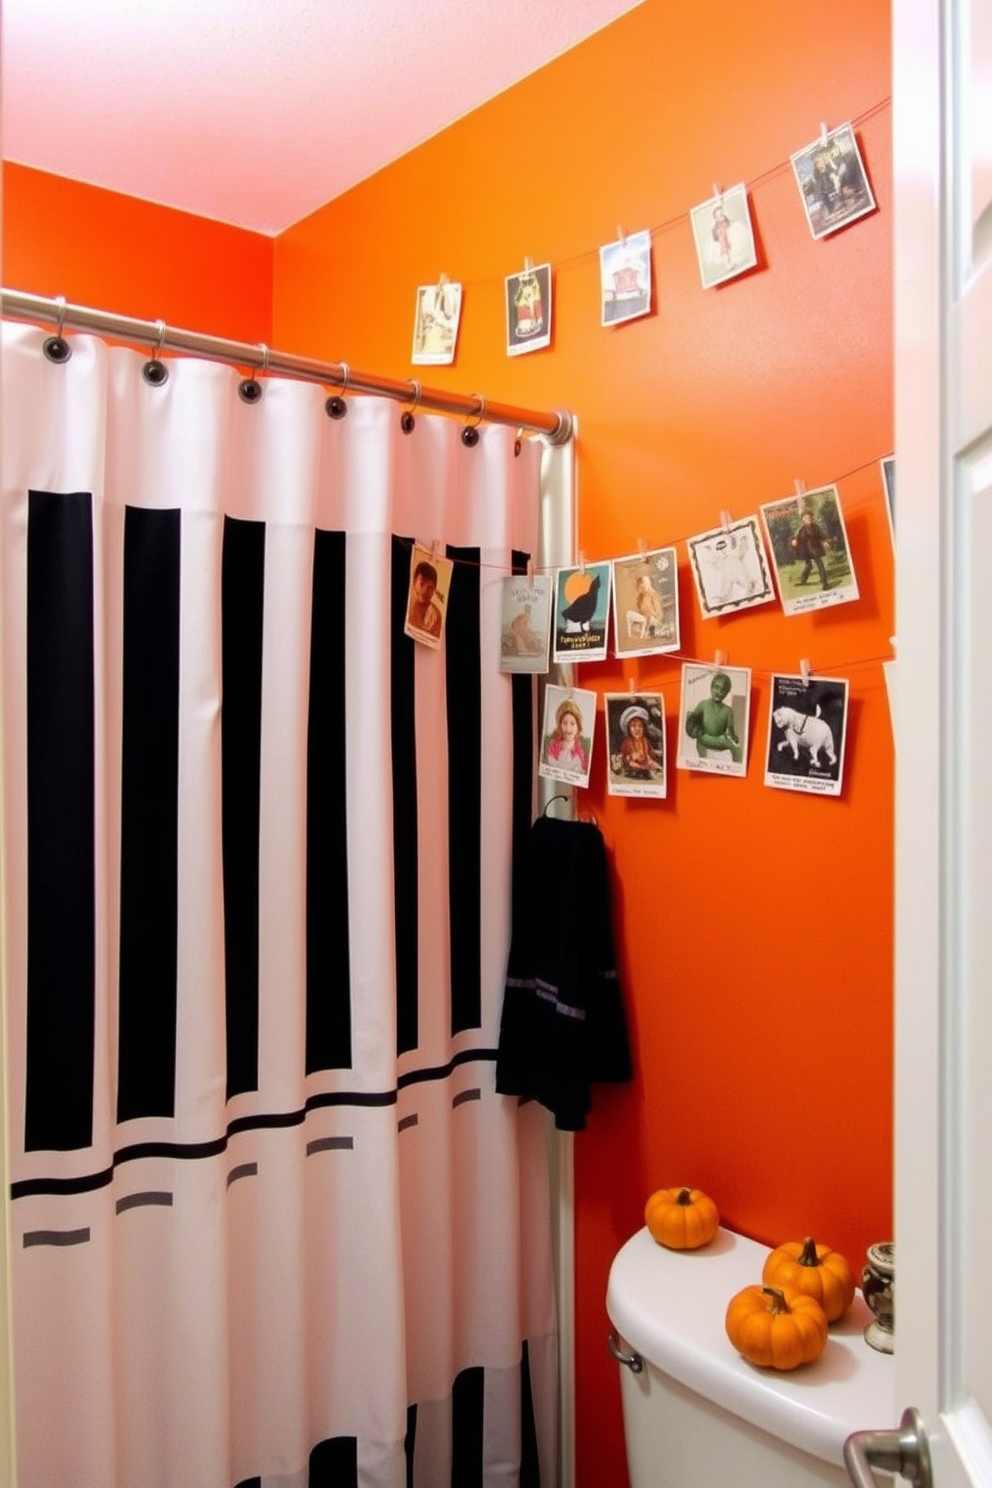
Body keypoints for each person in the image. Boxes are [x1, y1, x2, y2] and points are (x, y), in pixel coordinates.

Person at [684, 672, 742, 763]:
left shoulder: (728, 711)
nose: (718, 692)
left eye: (722, 690)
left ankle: (737, 769)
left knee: (736, 749)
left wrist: (734, 737)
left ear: (726, 693)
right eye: (716, 688)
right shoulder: (703, 705)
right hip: (704, 738)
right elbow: (692, 721)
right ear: (711, 688)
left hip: (719, 740)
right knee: (701, 743)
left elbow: (730, 731)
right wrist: (693, 729)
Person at [544, 698, 588, 776]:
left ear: (578, 726)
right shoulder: (554, 746)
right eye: (564, 723)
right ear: (560, 725)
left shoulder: (579, 751)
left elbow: (581, 771)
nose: (568, 729)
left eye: (572, 723)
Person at [616, 706, 661, 779]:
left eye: (640, 726)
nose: (637, 729)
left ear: (644, 728)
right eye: (633, 726)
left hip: (646, 770)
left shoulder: (645, 741)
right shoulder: (627, 742)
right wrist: (642, 766)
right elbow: (627, 761)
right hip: (632, 772)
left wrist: (657, 767)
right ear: (628, 728)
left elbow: (648, 758)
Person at [791, 509, 831, 590]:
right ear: (803, 519)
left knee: (820, 565)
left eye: (809, 517)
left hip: (815, 549)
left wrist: (826, 541)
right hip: (806, 551)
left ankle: (825, 583)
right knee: (808, 566)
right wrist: (794, 540)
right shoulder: (801, 528)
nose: (807, 519)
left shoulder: (816, 527)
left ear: (812, 518)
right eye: (805, 518)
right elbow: (796, 536)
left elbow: (822, 535)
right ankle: (803, 580)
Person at [407, 559, 443, 636]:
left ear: (434, 590)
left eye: (429, 587)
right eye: (421, 584)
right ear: (414, 582)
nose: (424, 591)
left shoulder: (437, 615)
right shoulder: (409, 607)